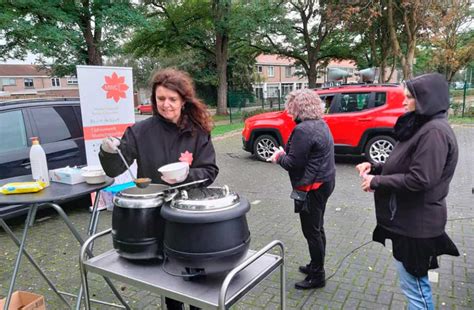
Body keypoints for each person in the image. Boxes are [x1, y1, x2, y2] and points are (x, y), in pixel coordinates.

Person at [99, 68, 218, 310]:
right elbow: (114, 169)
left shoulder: (197, 132)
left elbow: (210, 171)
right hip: (156, 215)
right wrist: (108, 151)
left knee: (196, 278)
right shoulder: (140, 131)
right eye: (160, 98)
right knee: (169, 281)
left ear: (183, 101)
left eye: (172, 99)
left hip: (189, 215)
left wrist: (186, 175)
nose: (166, 105)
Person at [356, 73, 459, 309]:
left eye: (409, 97)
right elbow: (408, 165)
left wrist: (376, 182)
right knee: (412, 285)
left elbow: (420, 179)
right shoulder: (423, 126)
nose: (404, 102)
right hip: (409, 221)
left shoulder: (434, 132)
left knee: (416, 290)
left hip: (416, 225)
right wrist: (376, 168)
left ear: (427, 100)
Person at [267, 89, 336, 290]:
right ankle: (315, 265)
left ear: (298, 108)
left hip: (311, 187)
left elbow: (292, 163)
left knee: (312, 231)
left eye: (291, 107)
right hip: (324, 183)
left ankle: (317, 276)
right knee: (317, 228)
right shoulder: (320, 124)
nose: (289, 111)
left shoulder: (304, 129)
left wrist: (278, 156)